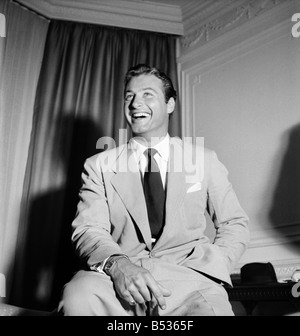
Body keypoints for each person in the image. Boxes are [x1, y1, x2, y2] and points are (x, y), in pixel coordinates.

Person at [58, 64, 250, 316]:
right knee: (77, 296)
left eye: (148, 94)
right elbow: (88, 229)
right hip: (119, 279)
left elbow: (234, 223)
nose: (136, 103)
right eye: (129, 96)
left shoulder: (204, 160)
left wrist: (214, 265)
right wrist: (118, 266)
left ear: (170, 104)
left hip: (189, 280)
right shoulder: (98, 166)